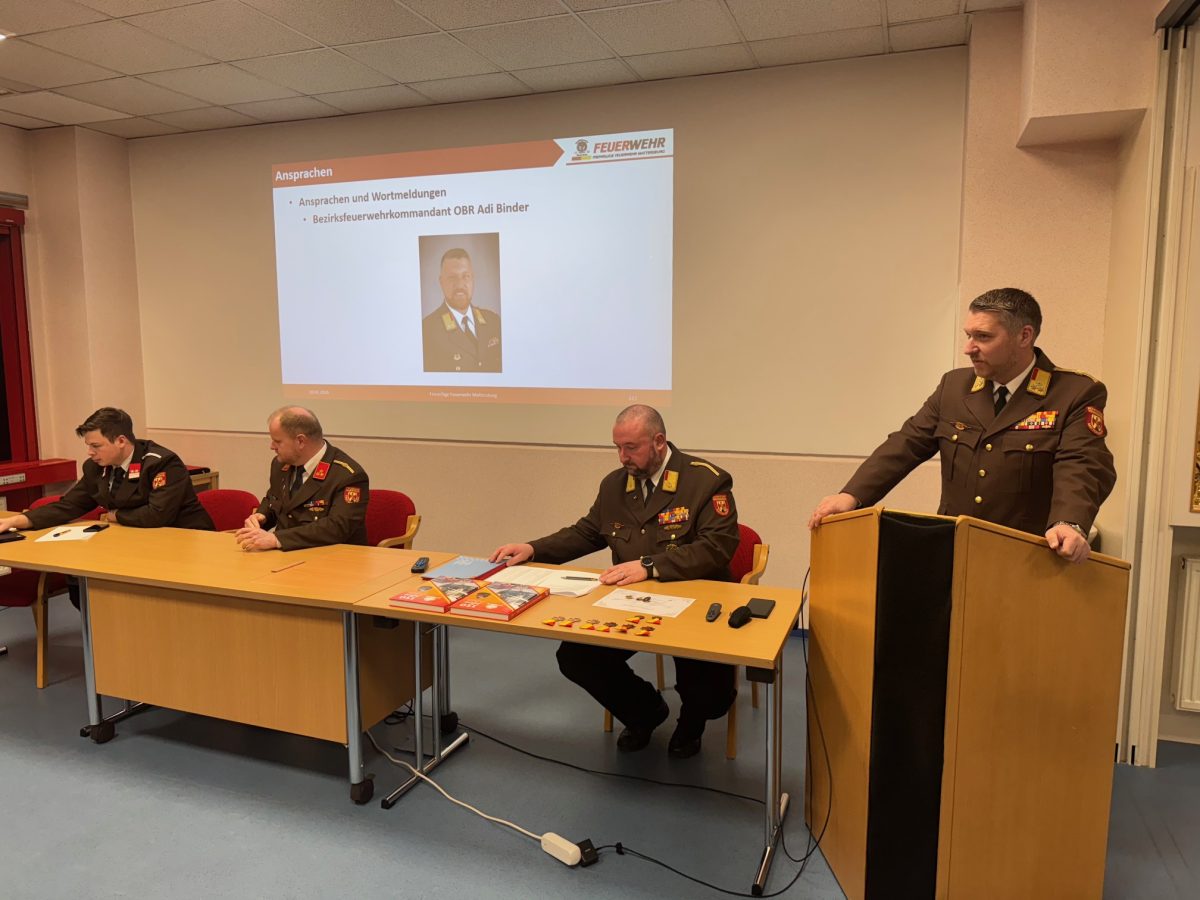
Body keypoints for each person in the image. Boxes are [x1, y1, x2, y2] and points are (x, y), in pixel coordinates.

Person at [490, 405, 740, 759]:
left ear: (658, 441)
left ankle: (691, 722)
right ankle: (645, 711)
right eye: (617, 447)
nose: (623, 457)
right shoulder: (615, 484)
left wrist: (650, 566)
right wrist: (533, 548)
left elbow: (718, 547)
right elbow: (587, 533)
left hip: (694, 603)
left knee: (709, 692)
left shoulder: (706, 481)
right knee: (576, 657)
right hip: (631, 602)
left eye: (631, 447)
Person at [807, 288, 1116, 564]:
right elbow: (906, 444)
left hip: (1027, 557)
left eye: (983, 337)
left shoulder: (1073, 393)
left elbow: (1082, 464)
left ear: (1024, 336)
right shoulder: (955, 386)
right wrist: (851, 496)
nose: (969, 348)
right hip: (954, 550)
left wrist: (1069, 522)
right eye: (968, 335)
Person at [0, 407, 213, 533]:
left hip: (187, 539)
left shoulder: (161, 463)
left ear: (121, 441)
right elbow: (69, 506)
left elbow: (157, 516)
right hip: (136, 540)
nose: (90, 452)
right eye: (88, 446)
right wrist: (17, 521)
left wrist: (115, 516)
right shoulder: (95, 467)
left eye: (96, 446)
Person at [236, 406, 369, 552]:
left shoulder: (347, 475)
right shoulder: (280, 465)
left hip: (334, 557)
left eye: (277, 441)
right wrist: (262, 516)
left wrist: (277, 539)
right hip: (286, 555)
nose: (272, 446)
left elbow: (337, 527)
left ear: (300, 441)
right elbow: (274, 500)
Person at [421, 247, 502, 373]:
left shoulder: (494, 321)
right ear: (441, 282)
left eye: (466, 276)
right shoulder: (427, 331)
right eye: (452, 277)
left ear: (473, 279)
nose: (459, 284)